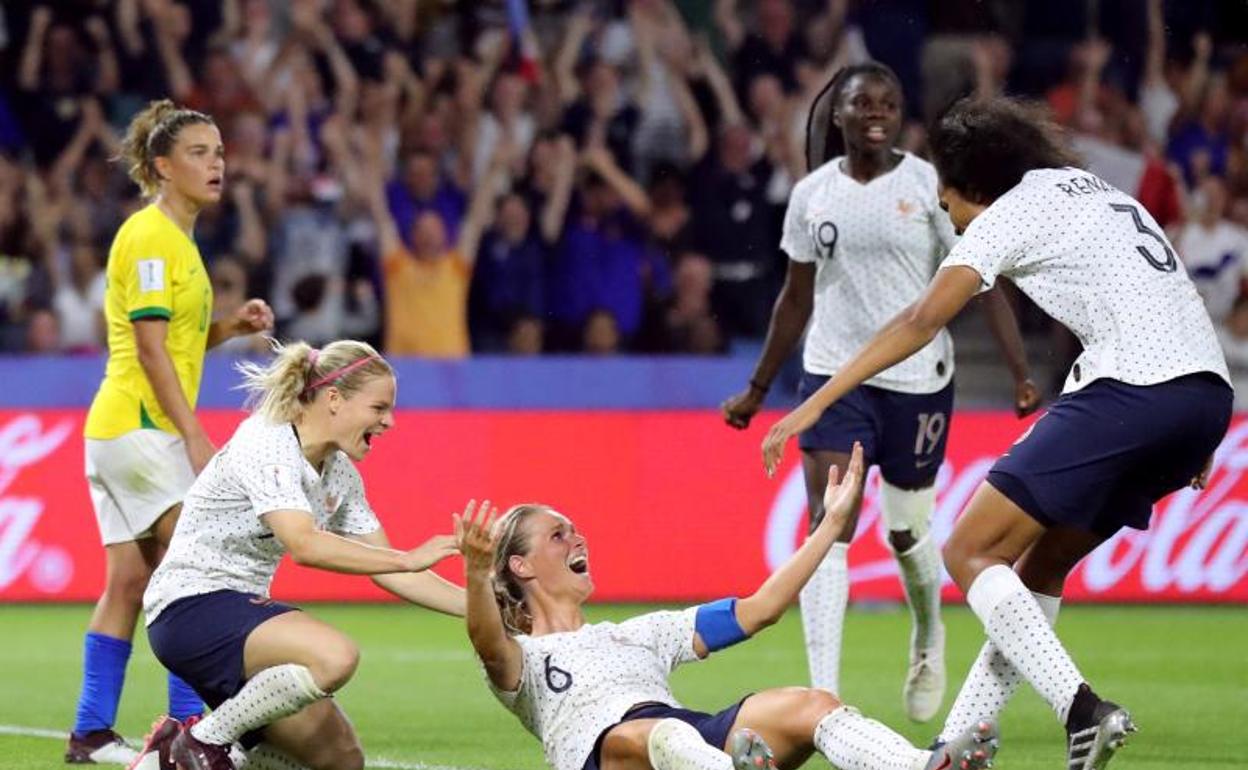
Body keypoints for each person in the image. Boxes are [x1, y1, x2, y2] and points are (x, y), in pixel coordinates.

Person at [761, 97, 1234, 770]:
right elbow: (1168, 295)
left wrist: (817, 402)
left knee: (968, 550)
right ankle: (955, 747)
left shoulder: (1008, 211)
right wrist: (1197, 428)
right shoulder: (1096, 191)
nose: (948, 217)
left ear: (972, 186)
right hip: (1202, 395)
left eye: (947, 200)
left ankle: (1083, 711)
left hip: (1134, 387)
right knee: (1038, 567)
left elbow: (921, 321)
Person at [722, 63, 1038, 723]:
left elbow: (982, 279)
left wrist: (1018, 370)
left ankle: (927, 630)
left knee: (905, 532)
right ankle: (823, 695)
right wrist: (757, 388)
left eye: (889, 103)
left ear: (901, 116)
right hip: (836, 372)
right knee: (828, 520)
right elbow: (795, 297)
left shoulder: (928, 187)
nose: (877, 112)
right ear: (837, 116)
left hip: (918, 380)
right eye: (863, 102)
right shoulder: (811, 194)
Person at [457, 443, 1001, 770]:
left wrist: (830, 526)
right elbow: (486, 642)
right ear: (521, 567)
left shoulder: (641, 632)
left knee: (809, 704)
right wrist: (478, 573)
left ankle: (921, 766)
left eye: (575, 530)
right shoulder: (525, 659)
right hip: (611, 756)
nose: (578, 539)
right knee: (648, 737)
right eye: (558, 535)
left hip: (690, 745)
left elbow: (759, 608)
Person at [129, 339, 466, 770]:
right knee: (334, 656)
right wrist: (405, 558)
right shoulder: (267, 440)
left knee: (342, 760)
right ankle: (200, 740)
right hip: (189, 606)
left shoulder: (339, 472)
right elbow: (304, 544)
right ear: (333, 399)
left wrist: (485, 610)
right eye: (379, 408)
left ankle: (176, 760)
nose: (390, 422)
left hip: (239, 620)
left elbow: (393, 571)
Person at [69, 99, 275, 765]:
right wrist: (190, 434)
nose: (215, 164)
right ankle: (192, 729)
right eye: (198, 153)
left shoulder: (176, 241)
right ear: (161, 166)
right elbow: (150, 349)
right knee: (198, 569)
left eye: (218, 153)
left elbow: (176, 340)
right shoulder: (153, 236)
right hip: (141, 428)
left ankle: (91, 731)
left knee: (129, 581)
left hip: (120, 429)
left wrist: (230, 330)